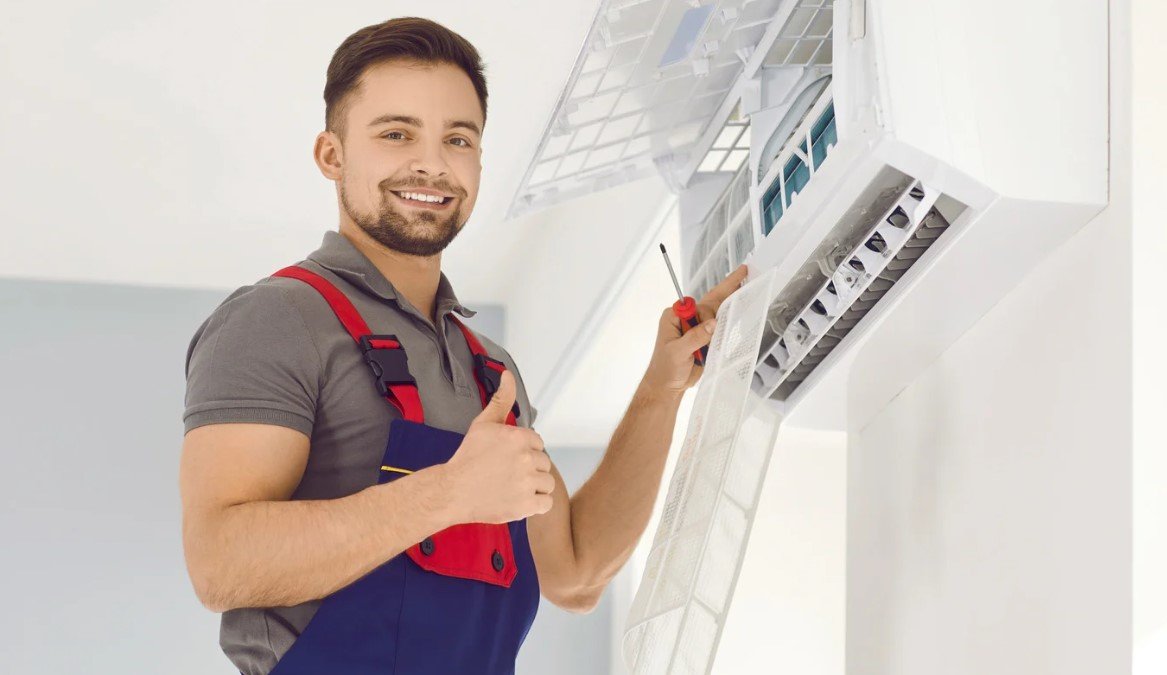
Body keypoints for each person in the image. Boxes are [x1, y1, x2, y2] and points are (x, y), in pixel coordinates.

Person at [179, 16, 748, 675]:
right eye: (396, 133)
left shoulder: (491, 374)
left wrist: (662, 386)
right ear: (332, 154)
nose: (431, 162)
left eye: (458, 138)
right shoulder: (278, 318)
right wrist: (449, 493)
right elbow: (219, 563)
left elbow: (577, 571)